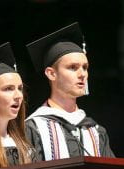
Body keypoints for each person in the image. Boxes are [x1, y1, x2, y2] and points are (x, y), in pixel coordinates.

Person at [25, 22, 115, 160]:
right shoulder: (33, 128)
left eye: (85, 67)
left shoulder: (95, 131)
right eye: (73, 67)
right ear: (51, 74)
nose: (82, 74)